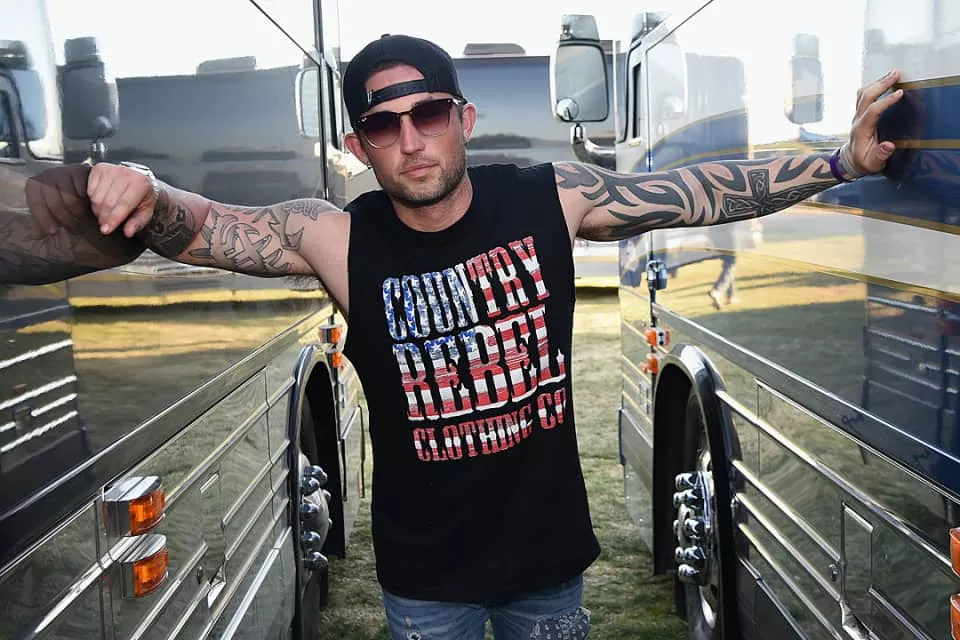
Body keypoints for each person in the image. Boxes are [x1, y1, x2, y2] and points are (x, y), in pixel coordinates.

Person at [19, 34, 903, 639]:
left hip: (547, 565)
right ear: (360, 145)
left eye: (429, 113)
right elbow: (209, 227)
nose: (411, 141)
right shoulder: (338, 238)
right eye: (383, 125)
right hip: (425, 582)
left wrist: (840, 161)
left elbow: (696, 191)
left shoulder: (547, 198)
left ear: (464, 118)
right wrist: (144, 186)